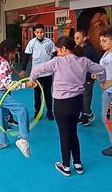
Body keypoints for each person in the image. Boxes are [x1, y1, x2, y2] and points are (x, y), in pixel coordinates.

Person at [28, 36, 106, 176]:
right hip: (77, 103)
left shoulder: (57, 62)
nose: (57, 53)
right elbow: (101, 70)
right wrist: (102, 81)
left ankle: (66, 166)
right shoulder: (84, 61)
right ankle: (78, 164)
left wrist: (32, 81)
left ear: (64, 49)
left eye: (58, 50)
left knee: (64, 135)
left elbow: (36, 70)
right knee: (73, 133)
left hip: (62, 104)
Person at [0, 39, 33, 158]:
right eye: (13, 53)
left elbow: (6, 72)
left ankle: (0, 142)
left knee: (2, 118)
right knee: (22, 110)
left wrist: (16, 72)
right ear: (7, 51)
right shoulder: (3, 63)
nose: (14, 55)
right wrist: (25, 85)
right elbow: (8, 84)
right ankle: (23, 140)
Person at [20, 23, 56, 120]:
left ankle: (49, 111)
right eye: (37, 32)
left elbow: (55, 54)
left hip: (48, 72)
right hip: (36, 74)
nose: (40, 34)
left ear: (44, 32)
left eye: (41, 32)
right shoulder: (31, 43)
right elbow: (26, 57)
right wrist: (23, 69)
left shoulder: (49, 42)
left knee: (48, 92)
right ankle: (38, 111)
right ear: (34, 33)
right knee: (37, 93)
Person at [74, 30, 100, 125]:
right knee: (80, 96)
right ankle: (83, 115)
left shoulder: (89, 50)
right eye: (75, 38)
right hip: (79, 77)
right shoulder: (76, 49)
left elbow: (97, 61)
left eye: (78, 38)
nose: (75, 40)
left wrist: (95, 73)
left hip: (88, 76)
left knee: (86, 95)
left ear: (84, 38)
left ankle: (88, 114)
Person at [99, 27, 112, 157]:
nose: (102, 43)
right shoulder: (107, 53)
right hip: (107, 91)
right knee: (106, 117)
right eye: (101, 40)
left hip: (110, 92)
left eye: (104, 40)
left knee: (107, 118)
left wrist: (109, 82)